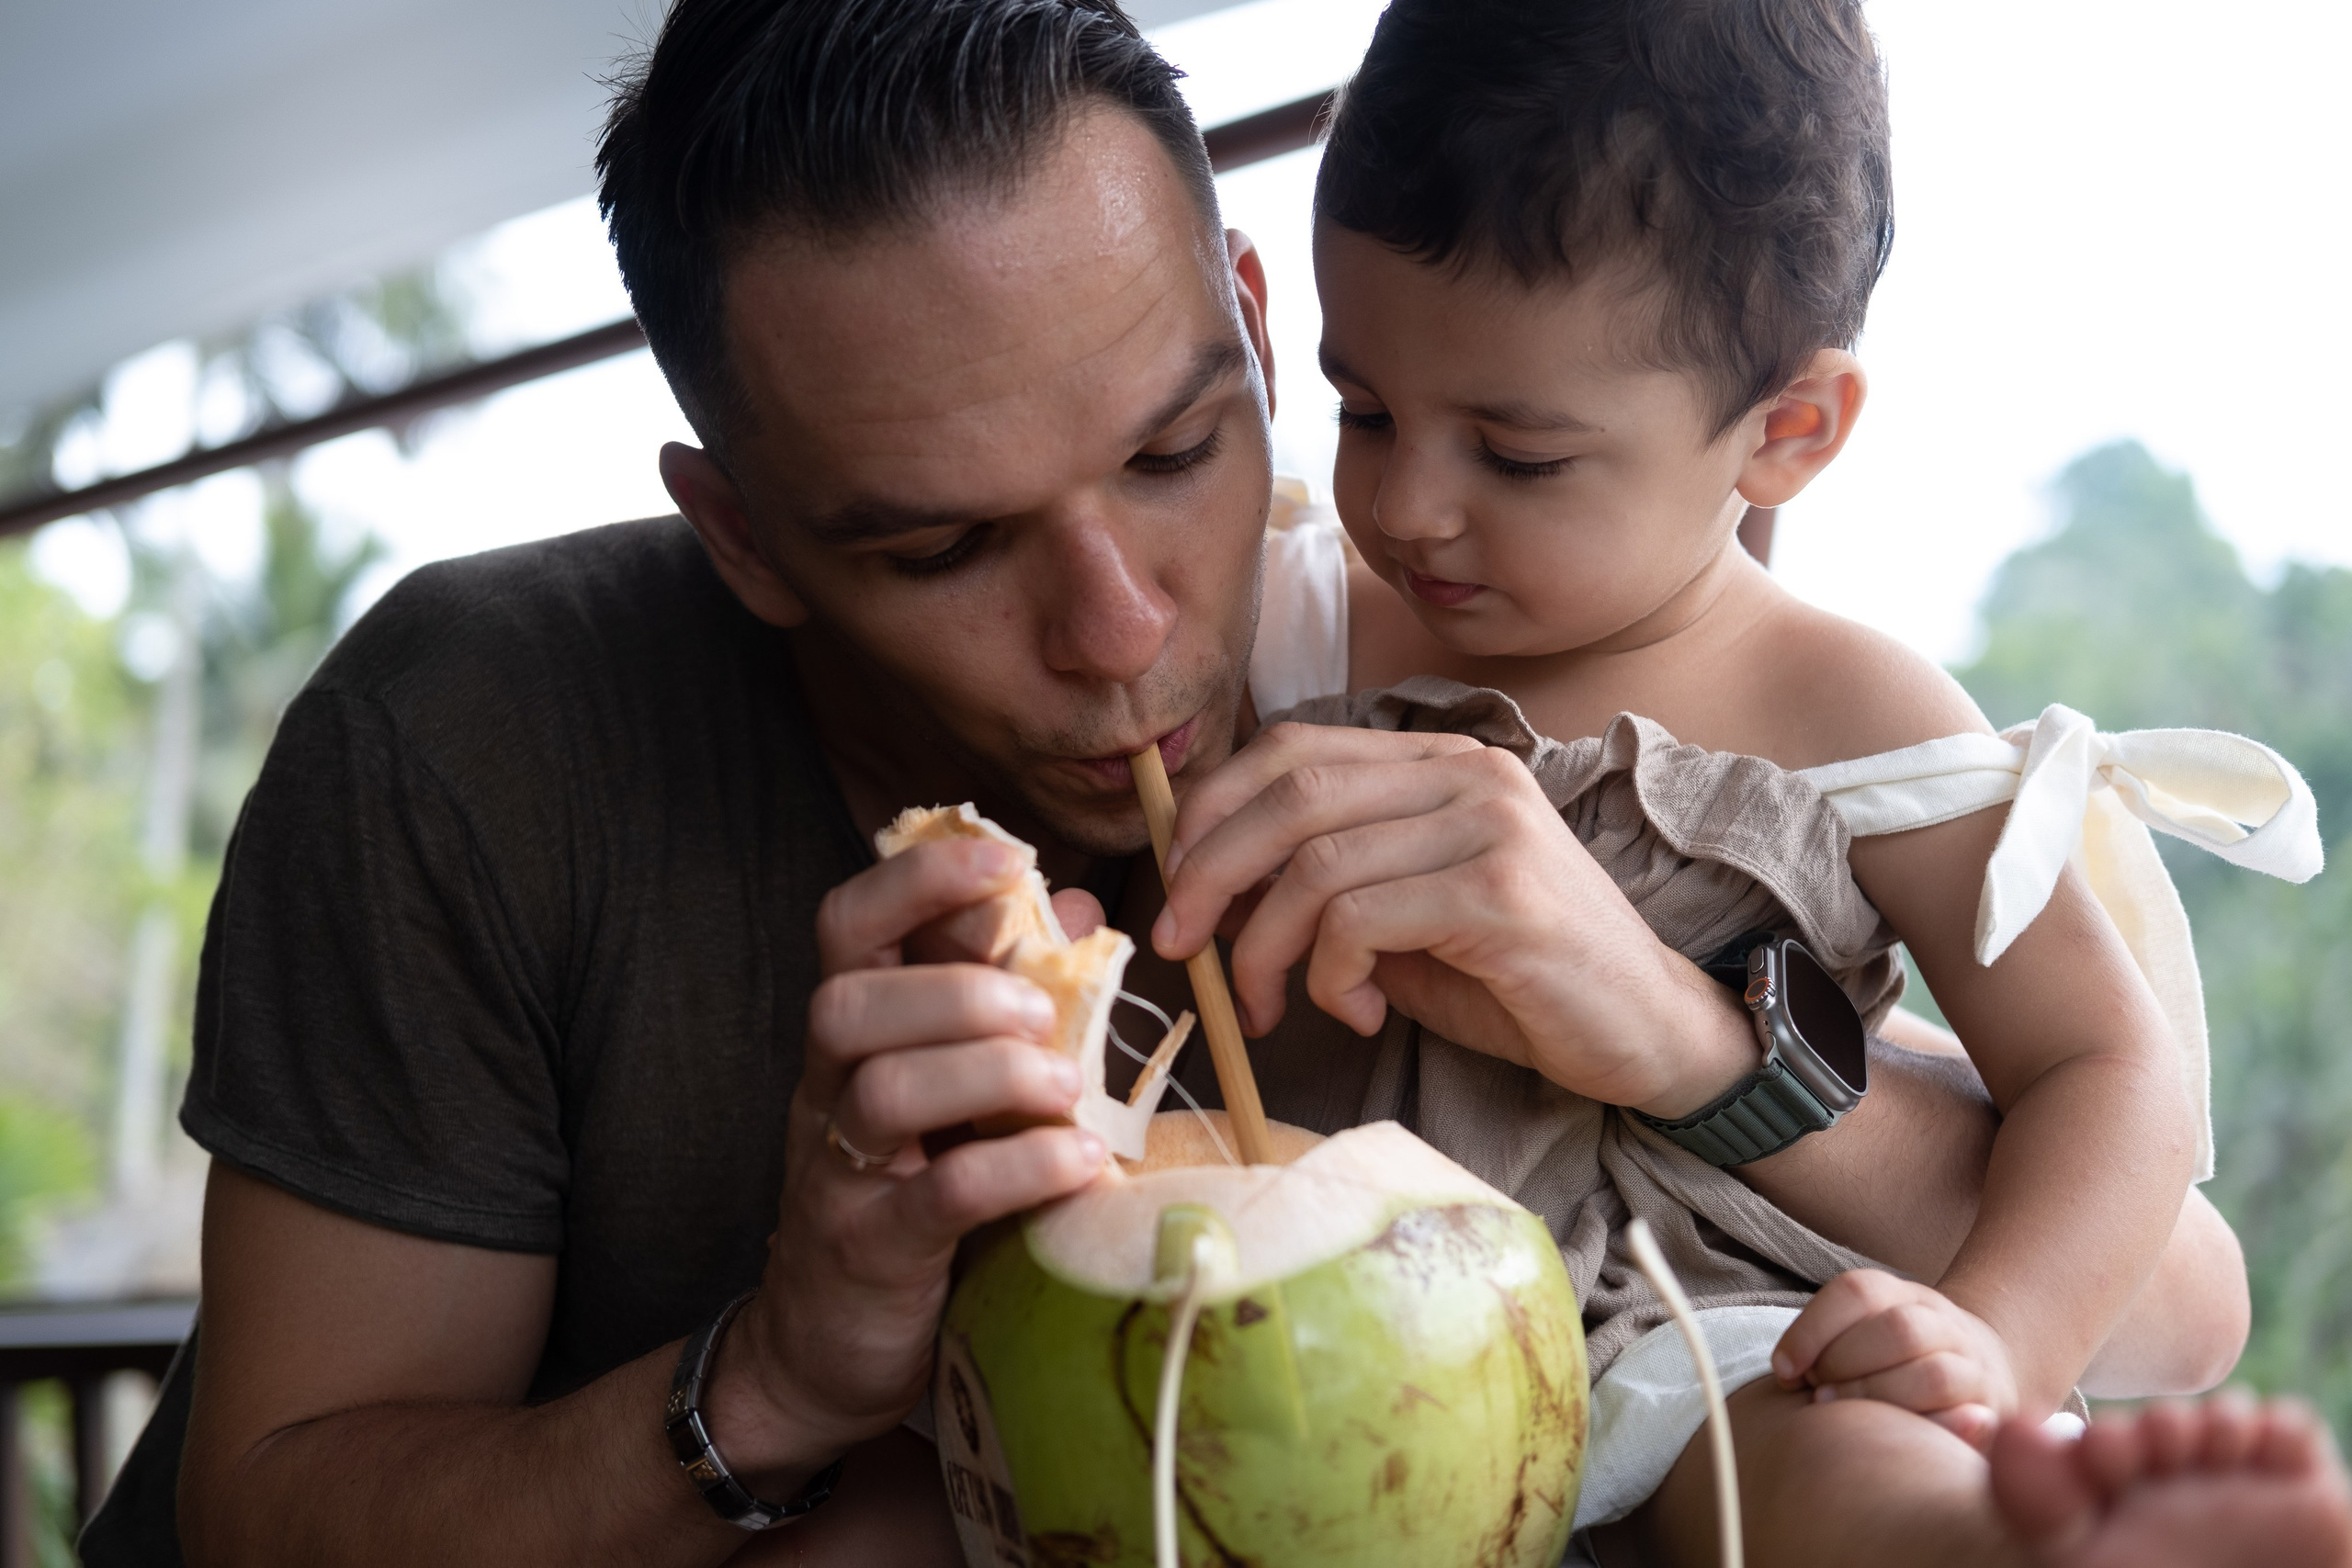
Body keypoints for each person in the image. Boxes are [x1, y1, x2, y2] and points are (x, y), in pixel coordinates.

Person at [66, 2, 2245, 1565]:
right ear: (741, 531)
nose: (1118, 628)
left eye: (1175, 450)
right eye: (936, 545)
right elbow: (274, 1501)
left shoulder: (1482, 683)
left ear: (1241, 312)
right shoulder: (481, 739)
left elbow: (2174, 1275)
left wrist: (1671, 1025)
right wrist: (785, 1368)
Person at [1137, 0, 2313, 1560]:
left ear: (1789, 430)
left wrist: (1999, 1347)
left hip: (1719, 1333)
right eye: (1364, 408)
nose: (1408, 502)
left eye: (1520, 454)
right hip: (1335, 1316)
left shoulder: (1843, 704)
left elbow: (2113, 1072)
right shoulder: (1291, 620)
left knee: (1861, 1480)